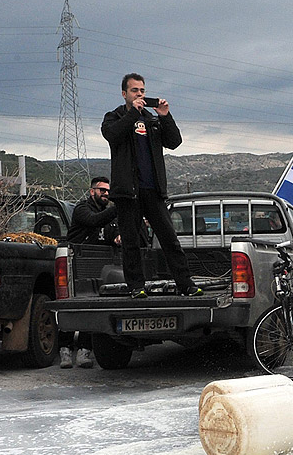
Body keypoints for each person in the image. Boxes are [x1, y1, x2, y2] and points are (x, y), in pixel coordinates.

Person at [101, 73, 201, 299]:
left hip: (153, 190)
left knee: (169, 239)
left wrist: (165, 116)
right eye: (135, 91)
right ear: (124, 93)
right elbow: (113, 136)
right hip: (128, 192)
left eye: (142, 91)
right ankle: (136, 287)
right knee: (131, 243)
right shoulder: (114, 117)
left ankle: (185, 285)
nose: (139, 94)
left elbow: (174, 142)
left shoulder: (152, 119)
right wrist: (133, 113)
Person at [60, 176, 119, 369]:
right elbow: (93, 221)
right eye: (102, 190)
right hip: (78, 262)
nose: (106, 194)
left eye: (108, 191)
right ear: (92, 191)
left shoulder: (109, 217)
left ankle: (85, 350)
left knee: (93, 306)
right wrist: (117, 208)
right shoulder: (82, 209)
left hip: (99, 266)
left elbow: (109, 235)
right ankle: (65, 349)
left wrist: (117, 238)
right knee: (72, 304)